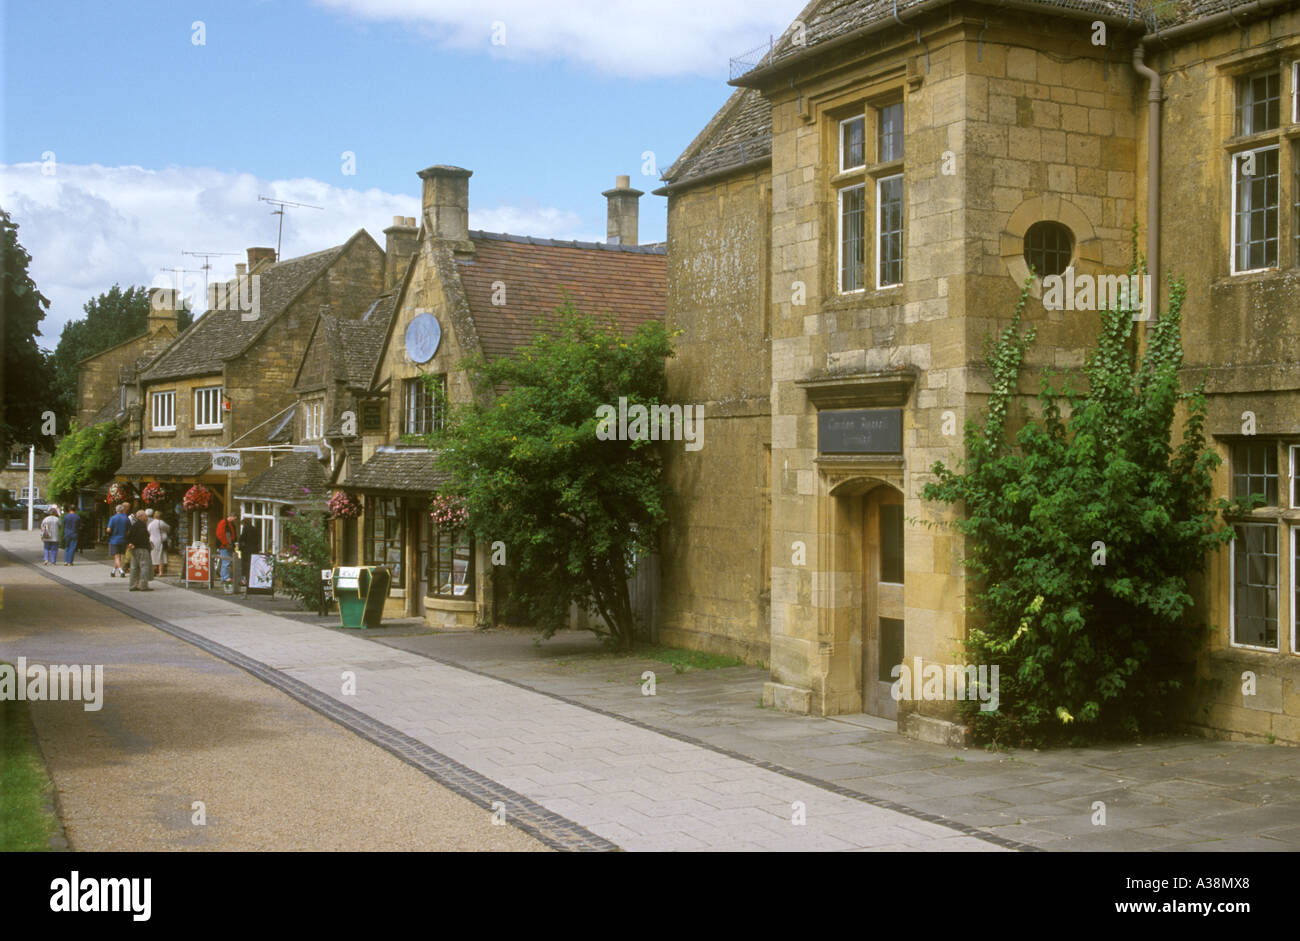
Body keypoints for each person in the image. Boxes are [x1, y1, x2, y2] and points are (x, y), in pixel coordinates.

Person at [127, 510, 153, 591]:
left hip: (133, 549)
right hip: (142, 548)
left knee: (134, 567)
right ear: (141, 517)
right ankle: (143, 586)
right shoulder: (141, 525)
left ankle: (133, 585)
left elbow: (129, 535)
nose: (146, 517)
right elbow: (142, 537)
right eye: (145, 516)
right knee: (144, 566)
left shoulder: (134, 525)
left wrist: (130, 543)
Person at [106, 502, 131, 577]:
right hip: (123, 539)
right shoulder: (126, 518)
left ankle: (121, 570)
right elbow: (129, 530)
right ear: (123, 510)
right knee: (122, 556)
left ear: (116, 510)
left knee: (116, 556)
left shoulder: (113, 518)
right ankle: (113, 571)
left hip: (114, 539)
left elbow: (108, 530)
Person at [215, 512, 238, 592]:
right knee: (226, 562)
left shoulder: (229, 523)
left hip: (228, 545)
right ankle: (225, 578)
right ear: (231, 516)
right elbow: (220, 534)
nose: (235, 520)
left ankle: (223, 577)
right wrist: (226, 544)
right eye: (235, 518)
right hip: (224, 546)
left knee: (226, 562)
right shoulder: (223, 523)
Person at [237, 518, 258, 589]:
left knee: (244, 566)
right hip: (254, 550)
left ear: (244, 523)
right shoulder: (255, 529)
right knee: (251, 566)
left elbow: (242, 538)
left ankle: (244, 581)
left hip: (246, 550)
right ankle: (252, 581)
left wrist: (240, 545)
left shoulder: (245, 528)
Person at [148, 511, 170, 577]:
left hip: (152, 541)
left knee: (153, 556)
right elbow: (168, 528)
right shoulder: (161, 523)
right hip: (160, 541)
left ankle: (153, 571)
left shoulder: (151, 524)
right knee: (161, 556)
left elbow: (148, 531)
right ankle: (160, 572)